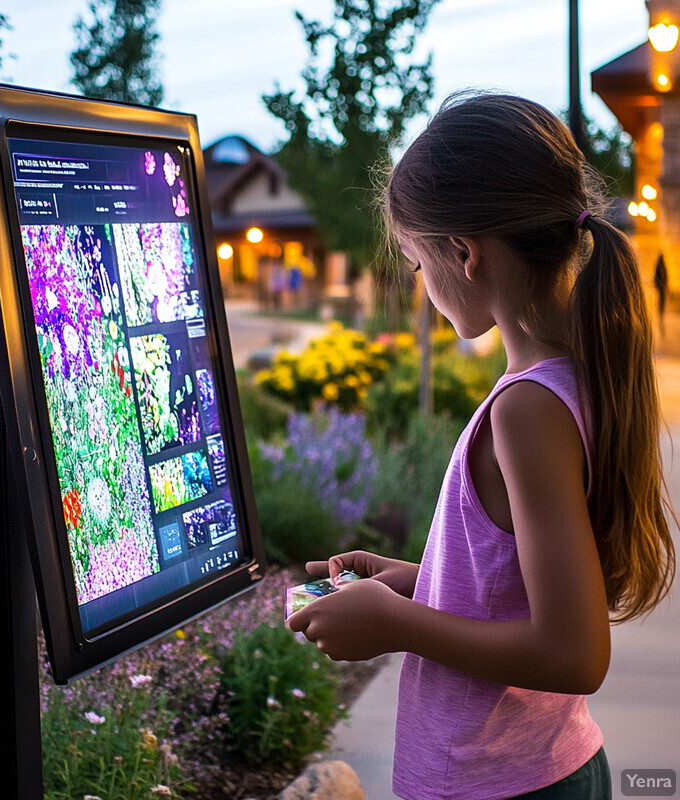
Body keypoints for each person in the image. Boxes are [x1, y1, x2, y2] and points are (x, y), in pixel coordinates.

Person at [287, 93, 677, 800]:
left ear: (464, 254)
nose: (420, 285)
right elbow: (516, 583)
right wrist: (416, 579)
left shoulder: (529, 410)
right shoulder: (564, 380)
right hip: (540, 769)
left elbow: (574, 652)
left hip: (503, 785)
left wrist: (397, 624)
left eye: (413, 264)